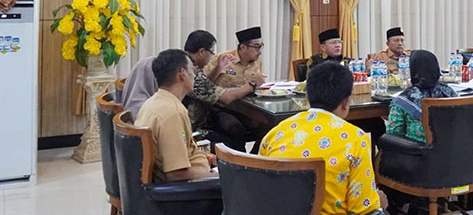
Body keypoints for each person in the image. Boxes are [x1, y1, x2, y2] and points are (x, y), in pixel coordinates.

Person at [260, 62, 388, 215]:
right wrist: (379, 201)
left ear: (308, 96)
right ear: (346, 102)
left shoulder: (276, 133)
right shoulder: (355, 139)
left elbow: (262, 189)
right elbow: (362, 208)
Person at [135, 49, 216, 182]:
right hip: (188, 187)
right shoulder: (173, 113)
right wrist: (219, 177)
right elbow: (176, 174)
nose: (194, 75)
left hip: (196, 170)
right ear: (182, 74)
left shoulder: (152, 102)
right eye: (192, 69)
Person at [182, 30, 265, 151]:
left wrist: (219, 67)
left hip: (202, 120)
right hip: (193, 130)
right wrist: (252, 85)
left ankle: (250, 158)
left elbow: (204, 86)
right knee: (233, 144)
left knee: (259, 126)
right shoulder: (190, 73)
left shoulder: (184, 64)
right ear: (202, 52)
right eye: (211, 52)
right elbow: (226, 98)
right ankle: (244, 160)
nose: (212, 56)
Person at [387, 50, 457, 142]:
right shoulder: (449, 92)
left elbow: (393, 132)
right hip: (452, 147)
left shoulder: (404, 99)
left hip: (417, 148)